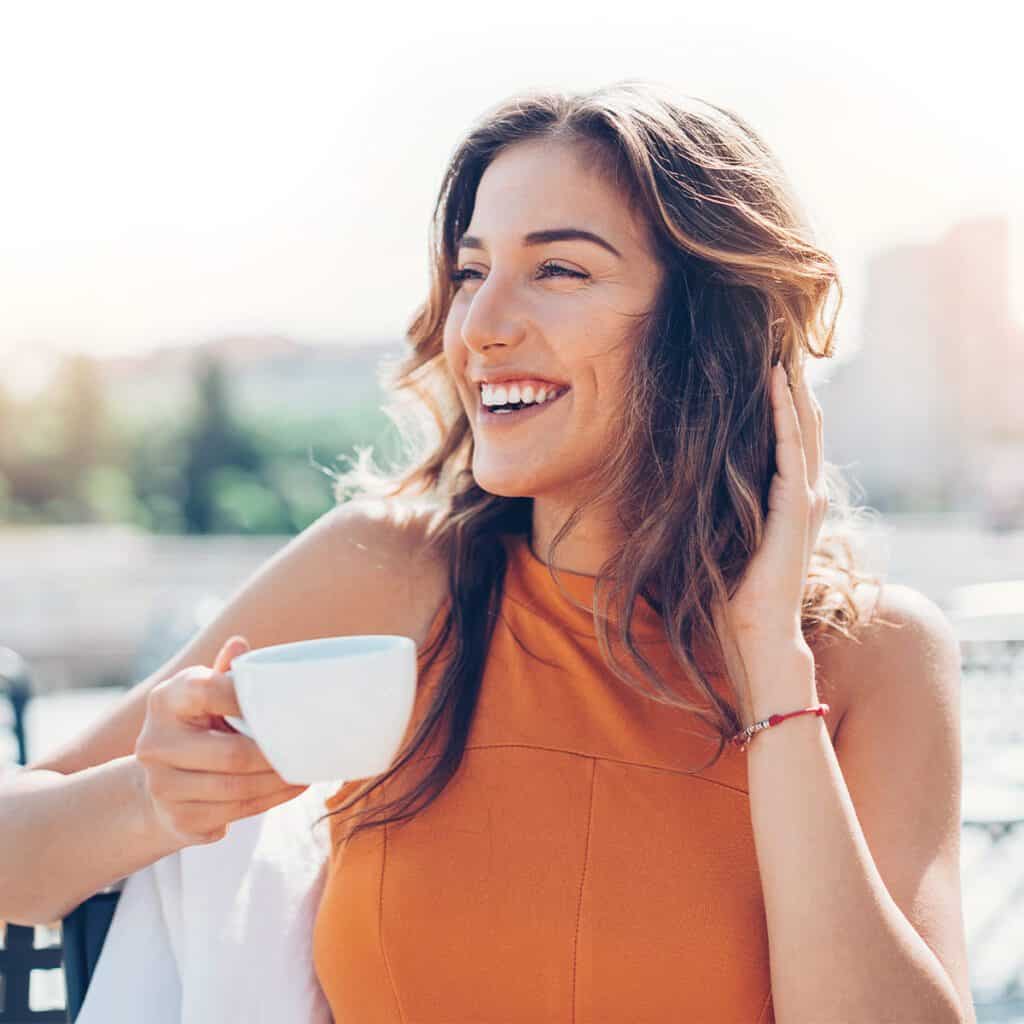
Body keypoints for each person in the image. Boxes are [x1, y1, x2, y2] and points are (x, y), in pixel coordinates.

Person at [1, 82, 975, 1023]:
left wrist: (771, 668)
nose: (481, 325)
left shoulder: (871, 655)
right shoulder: (390, 573)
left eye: (558, 269)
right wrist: (152, 796)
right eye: (471, 272)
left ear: (704, 327)